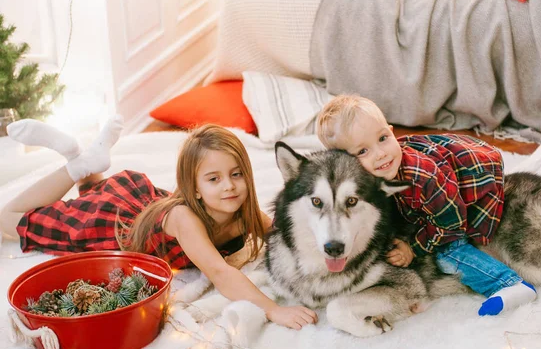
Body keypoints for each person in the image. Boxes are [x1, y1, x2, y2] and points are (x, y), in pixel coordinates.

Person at [0, 118, 317, 329]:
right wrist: (272, 309)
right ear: (194, 187)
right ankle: (75, 165)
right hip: (111, 226)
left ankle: (82, 159)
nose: (229, 186)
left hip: (141, 204)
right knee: (8, 220)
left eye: (236, 174)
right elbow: (221, 273)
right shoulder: (185, 218)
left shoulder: (243, 210)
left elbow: (282, 235)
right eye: (214, 179)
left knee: (92, 188)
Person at [316, 95, 537, 316]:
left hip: (471, 190)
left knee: (448, 251)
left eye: (383, 138)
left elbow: (451, 223)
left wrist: (414, 248)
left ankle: (509, 284)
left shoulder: (422, 177)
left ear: (391, 131)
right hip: (436, 193)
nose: (381, 153)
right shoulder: (361, 177)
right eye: (363, 151)